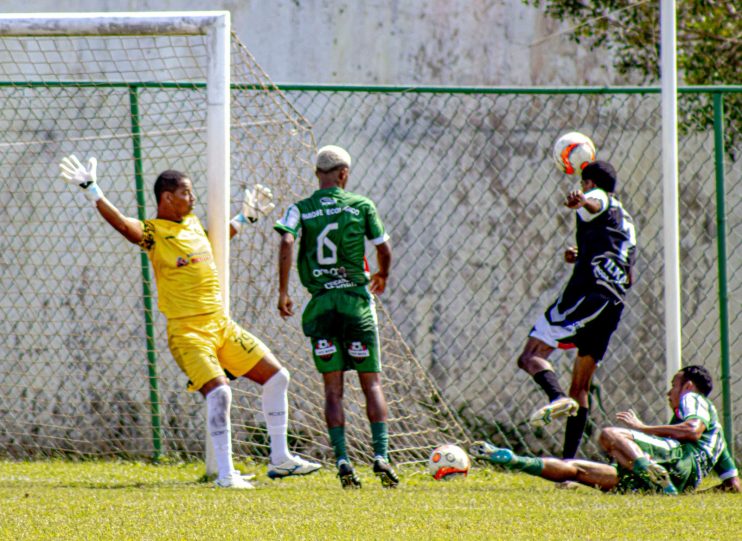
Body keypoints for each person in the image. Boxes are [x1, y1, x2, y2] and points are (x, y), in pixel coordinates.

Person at [59, 154, 321, 489]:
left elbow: (214, 242)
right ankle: (226, 475)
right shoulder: (154, 232)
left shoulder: (193, 223)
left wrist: (245, 217)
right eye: (187, 192)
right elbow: (125, 225)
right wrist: (92, 189)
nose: (193, 198)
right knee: (220, 394)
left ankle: (280, 458)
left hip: (221, 325)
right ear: (167, 198)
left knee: (278, 377)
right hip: (188, 332)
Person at [274, 145, 398, 489]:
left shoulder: (300, 209)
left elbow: (286, 241)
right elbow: (383, 248)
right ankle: (381, 455)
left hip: (323, 305)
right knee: (371, 383)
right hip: (356, 304)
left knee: (333, 391)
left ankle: (342, 459)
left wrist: (283, 292)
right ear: (344, 174)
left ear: (317, 174)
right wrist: (383, 274)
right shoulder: (361, 205)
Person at [517, 160, 637, 459]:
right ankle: (568, 467)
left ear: (589, 183)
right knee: (581, 386)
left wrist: (583, 199)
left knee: (531, 355)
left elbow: (595, 202)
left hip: (586, 293)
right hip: (613, 302)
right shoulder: (627, 221)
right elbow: (628, 272)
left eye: (585, 184)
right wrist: (584, 255)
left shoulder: (597, 198)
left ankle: (556, 397)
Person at [470, 365, 740, 494]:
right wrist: (689, 495)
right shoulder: (719, 442)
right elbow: (733, 486)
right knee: (578, 470)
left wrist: (642, 427)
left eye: (674, 384)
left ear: (689, 386)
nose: (669, 391)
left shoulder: (694, 400)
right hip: (676, 482)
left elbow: (691, 430)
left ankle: (648, 469)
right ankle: (514, 460)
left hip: (677, 462)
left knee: (610, 434)